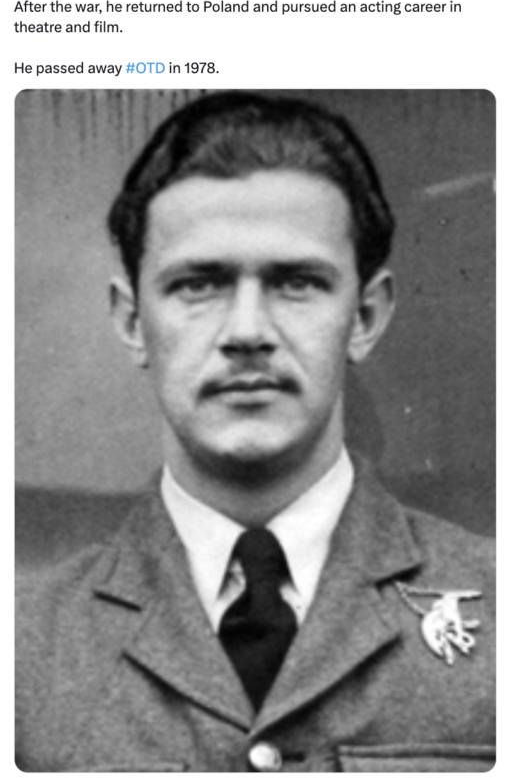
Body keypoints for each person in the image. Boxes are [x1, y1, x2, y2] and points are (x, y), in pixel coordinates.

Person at [16, 92, 495, 772]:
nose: (246, 332)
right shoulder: (23, 649)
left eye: (296, 282)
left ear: (364, 317)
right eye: (198, 284)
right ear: (132, 321)